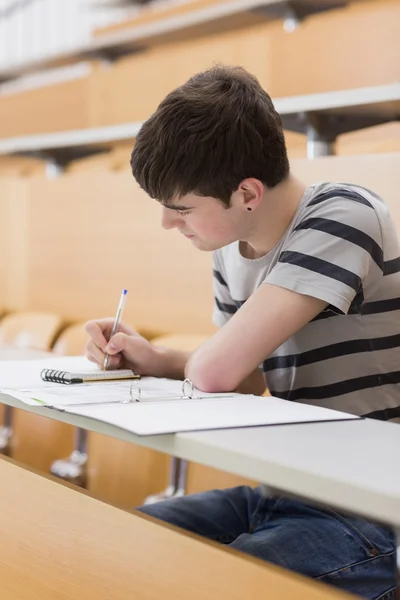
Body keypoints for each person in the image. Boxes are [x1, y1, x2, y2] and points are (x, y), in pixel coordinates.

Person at [85, 65, 398, 598]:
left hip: (377, 506)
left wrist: (188, 364)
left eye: (181, 208)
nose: (167, 224)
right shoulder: (232, 247)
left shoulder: (344, 216)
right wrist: (150, 357)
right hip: (292, 488)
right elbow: (247, 377)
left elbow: (214, 370)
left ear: (247, 192)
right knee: (118, 546)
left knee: (210, 585)